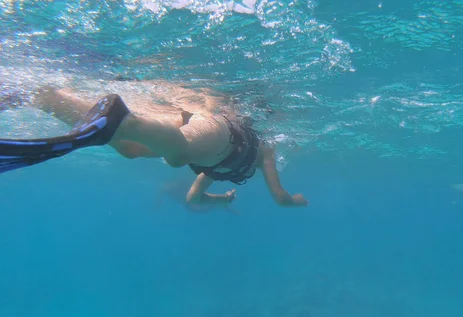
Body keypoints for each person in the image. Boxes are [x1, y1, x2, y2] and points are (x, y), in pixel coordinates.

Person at [0, 80, 308, 207]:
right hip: (218, 129)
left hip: (196, 128)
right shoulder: (264, 147)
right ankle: (127, 119)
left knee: (131, 150)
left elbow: (192, 199)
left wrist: (220, 199)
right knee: (177, 154)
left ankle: (47, 98)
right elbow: (279, 196)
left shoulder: (212, 171)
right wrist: (296, 200)